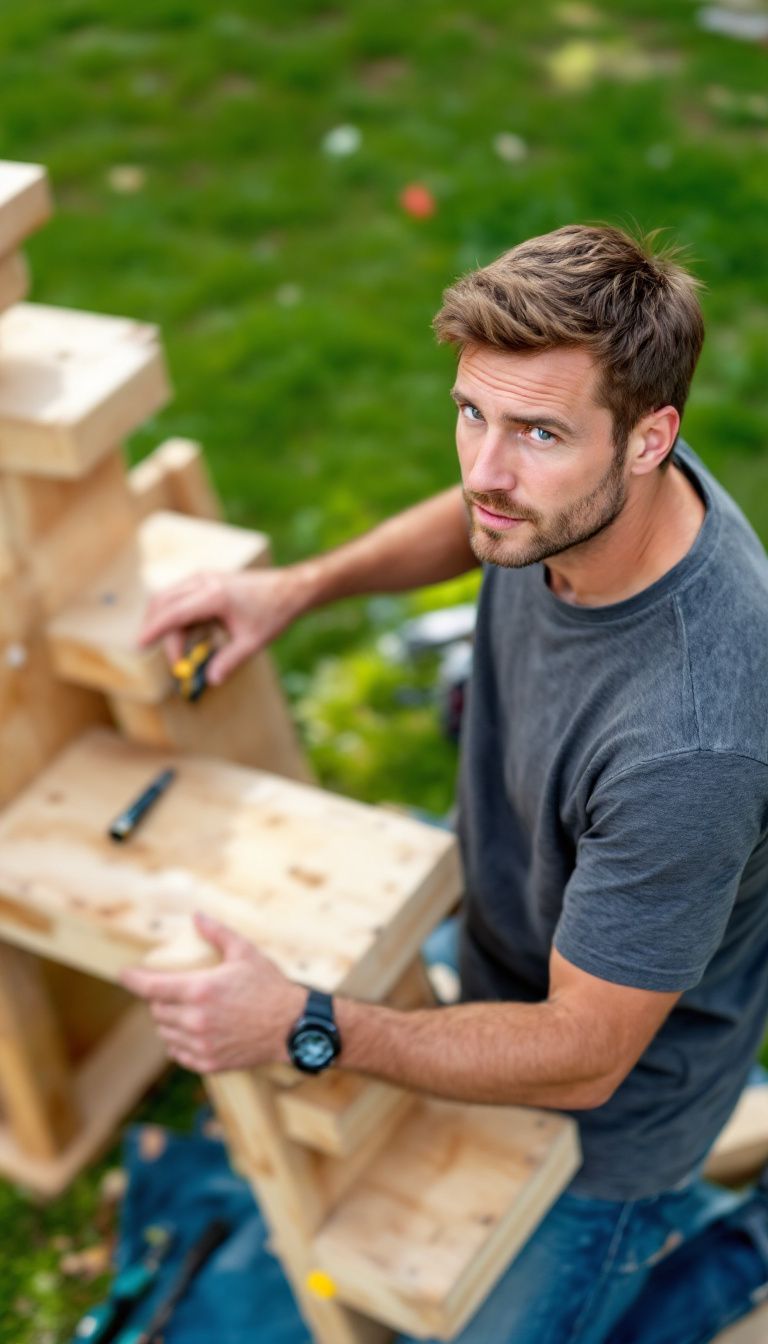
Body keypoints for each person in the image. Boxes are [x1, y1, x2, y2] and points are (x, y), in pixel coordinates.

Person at [122, 225, 768, 1343]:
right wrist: (292, 590)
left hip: (614, 1118)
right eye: (473, 413)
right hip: (512, 947)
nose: (485, 470)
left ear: (651, 438)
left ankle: (739, 1250)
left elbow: (581, 1055)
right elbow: (479, 522)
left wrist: (305, 1026)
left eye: (537, 433)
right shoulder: (572, 491)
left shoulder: (692, 743)